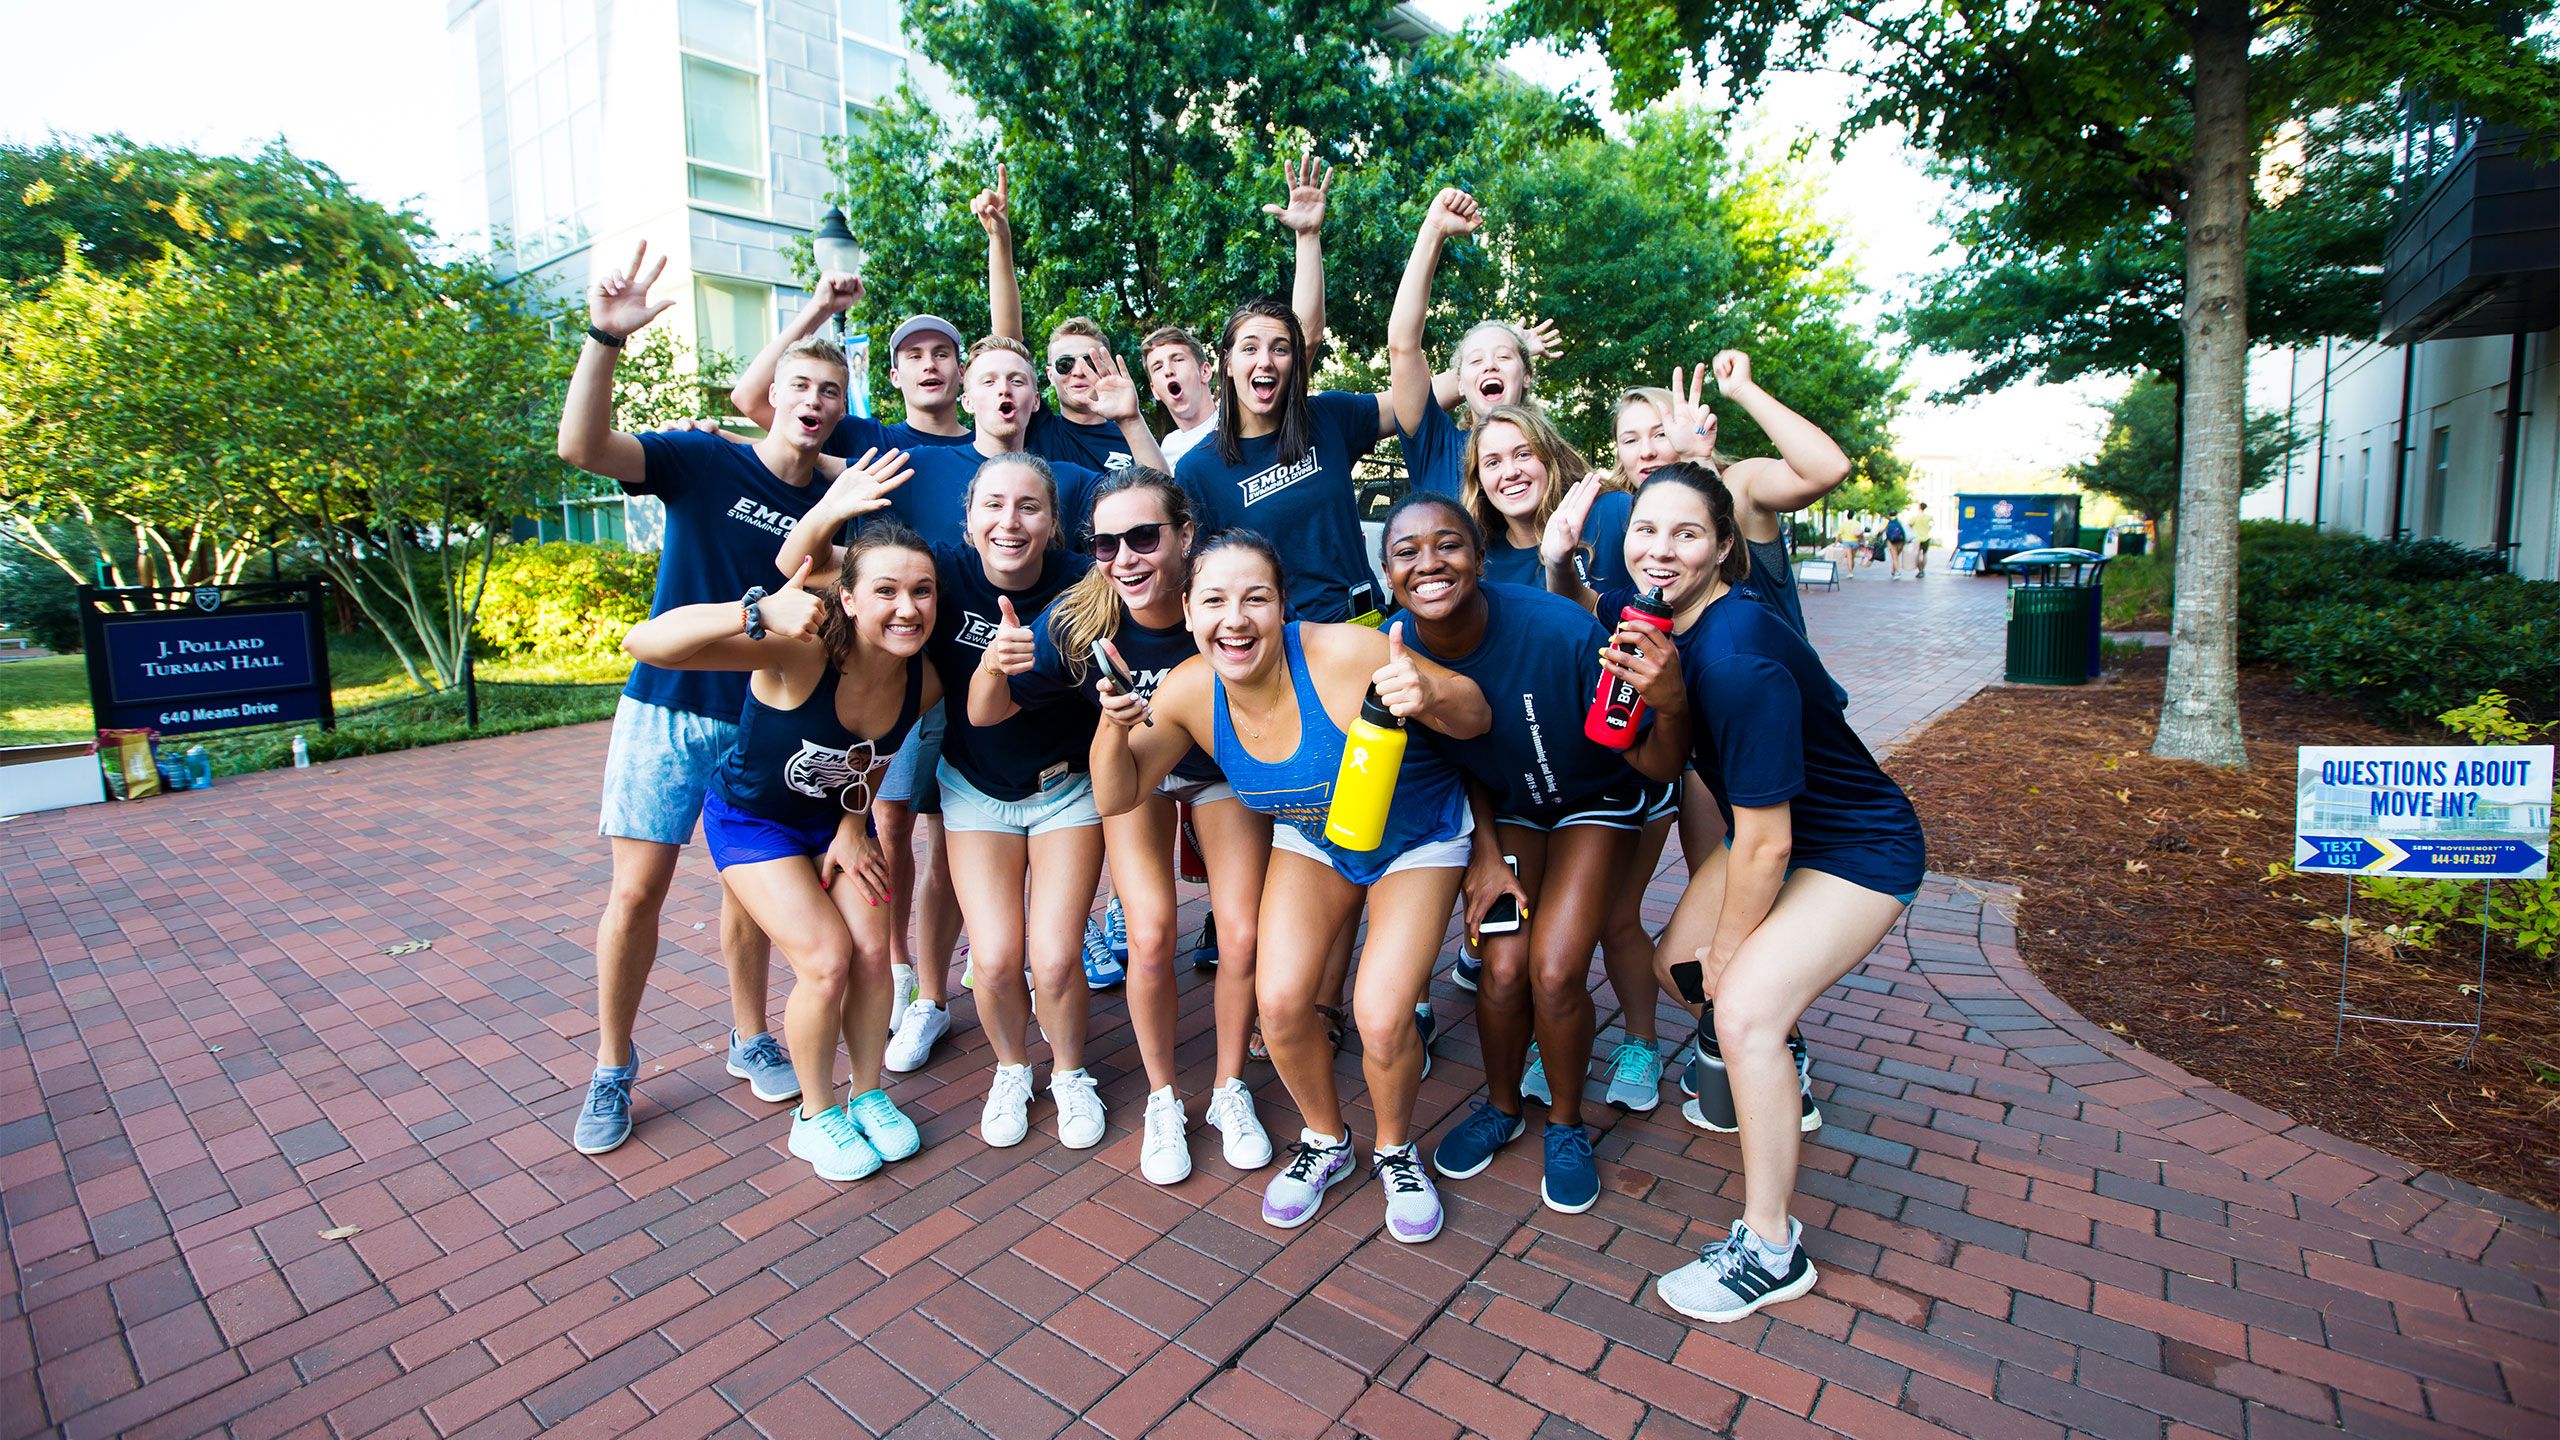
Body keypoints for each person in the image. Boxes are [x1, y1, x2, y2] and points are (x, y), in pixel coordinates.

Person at [1089, 531, 1491, 1240]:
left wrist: (1427, 692)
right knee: (1277, 1006)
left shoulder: (1345, 655)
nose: (1234, 618)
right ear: (1187, 611)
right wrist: (1109, 729)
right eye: (1214, 600)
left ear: (1284, 609)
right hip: (1314, 838)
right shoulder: (1186, 691)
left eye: (1255, 599)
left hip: (1417, 836)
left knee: (1381, 1014)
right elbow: (1119, 795)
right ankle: (1327, 1141)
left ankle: (1396, 1151)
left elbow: (1476, 715)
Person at [1601, 463, 1924, 1322]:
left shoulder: (1738, 656)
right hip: (1772, 837)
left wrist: (1737, 952)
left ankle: (1771, 1247)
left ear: (1725, 550)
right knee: (1683, 971)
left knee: (1737, 1007)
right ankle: (1784, 1054)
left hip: (1854, 849)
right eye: (1646, 530)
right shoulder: (1649, 619)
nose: (1659, 550)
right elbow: (1671, 764)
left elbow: (1769, 839)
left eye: (1687, 534)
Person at [554, 240, 827, 1155]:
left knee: (750, 893)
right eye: (801, 388)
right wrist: (605, 337)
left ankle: (751, 1038)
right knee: (638, 893)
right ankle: (611, 1063)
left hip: (760, 720)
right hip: (666, 706)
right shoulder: (701, 462)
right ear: (770, 395)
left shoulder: (834, 501)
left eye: (831, 393)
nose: (816, 404)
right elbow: (581, 447)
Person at [1371, 494, 1688, 1214]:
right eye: (1406, 552)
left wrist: (1669, 703)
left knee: (1553, 968)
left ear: (1480, 560)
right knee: (1503, 966)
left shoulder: (1558, 628)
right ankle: (1503, 1104)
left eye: (1448, 545)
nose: (1429, 563)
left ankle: (1568, 1125)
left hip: (1595, 805)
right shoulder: (1394, 650)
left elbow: (1656, 764)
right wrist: (1483, 857)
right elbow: (1441, 770)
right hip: (1506, 814)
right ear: (1387, 573)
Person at [620, 512, 937, 1182]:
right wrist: (754, 609)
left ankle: (868, 1092)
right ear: (846, 598)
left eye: (922, 591)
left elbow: (871, 758)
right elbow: (645, 642)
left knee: (875, 952)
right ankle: (815, 1114)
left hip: (836, 822)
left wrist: (855, 824)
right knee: (826, 960)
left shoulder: (923, 678)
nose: (907, 608)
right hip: (752, 820)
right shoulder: (802, 649)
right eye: (886, 591)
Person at [993, 469, 1275, 1184]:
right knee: (1148, 934)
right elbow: (986, 716)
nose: (1126, 558)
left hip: (1220, 777)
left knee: (1241, 931)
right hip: (1131, 775)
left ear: (1184, 534)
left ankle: (1227, 1089)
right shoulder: (1080, 620)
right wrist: (995, 668)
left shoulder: (1219, 600)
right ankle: (1162, 1098)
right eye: (1105, 543)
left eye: (1144, 537)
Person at [728, 165, 1020, 453]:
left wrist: (999, 238)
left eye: (941, 353)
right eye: (914, 356)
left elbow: (1008, 348)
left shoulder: (994, 438)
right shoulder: (861, 440)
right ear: (895, 376)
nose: (929, 364)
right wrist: (820, 308)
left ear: (961, 372)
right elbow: (750, 398)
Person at [1384, 187, 1561, 500]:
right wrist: (1434, 230)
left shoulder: (1553, 458)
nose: (1490, 364)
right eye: (1476, 361)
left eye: (1504, 357)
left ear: (1527, 376)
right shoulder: (1438, 447)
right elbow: (1402, 344)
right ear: (1460, 385)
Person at [1459, 404, 1595, 588]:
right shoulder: (1480, 563)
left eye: (1523, 454)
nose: (1510, 472)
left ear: (1549, 459)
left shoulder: (1610, 514)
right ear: (1479, 480)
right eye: (1493, 463)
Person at [1911, 501, 1934, 577]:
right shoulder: (1929, 517)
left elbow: (1909, 524)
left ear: (1919, 508)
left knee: (1916, 555)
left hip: (1917, 538)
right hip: (1926, 538)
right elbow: (1932, 523)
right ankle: (1923, 570)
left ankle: (1920, 570)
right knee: (1924, 554)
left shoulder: (1915, 517)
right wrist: (1928, 529)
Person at [1885, 511, 1910, 577]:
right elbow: (1903, 532)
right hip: (1900, 542)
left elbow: (1887, 533)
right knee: (1896, 557)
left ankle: (1898, 572)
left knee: (1895, 558)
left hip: (1892, 542)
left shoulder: (1888, 524)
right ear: (1896, 515)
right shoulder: (1898, 523)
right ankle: (1893, 571)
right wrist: (1904, 541)